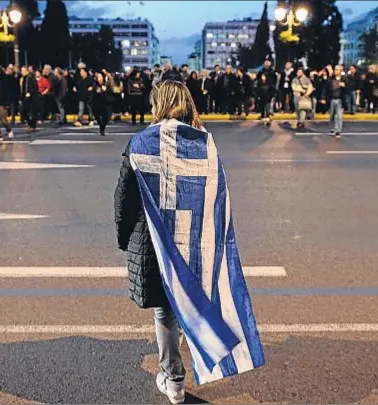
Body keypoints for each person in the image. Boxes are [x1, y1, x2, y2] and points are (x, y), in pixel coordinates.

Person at [114, 80, 264, 404]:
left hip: (155, 243)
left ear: (159, 103)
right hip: (195, 239)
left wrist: (124, 237)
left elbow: (124, 198)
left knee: (164, 312)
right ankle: (190, 362)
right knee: (187, 303)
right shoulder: (206, 144)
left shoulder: (140, 143)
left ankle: (174, 379)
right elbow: (216, 196)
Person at [322, 65, 347, 138]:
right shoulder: (331, 79)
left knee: (339, 116)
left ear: (340, 71)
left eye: (337, 70)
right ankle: (333, 128)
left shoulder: (344, 79)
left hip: (340, 100)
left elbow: (348, 89)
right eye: (335, 69)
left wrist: (344, 86)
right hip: (331, 99)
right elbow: (326, 89)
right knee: (332, 116)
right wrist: (323, 98)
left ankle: (338, 130)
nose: (336, 71)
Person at [92, 72, 112, 136]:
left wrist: (105, 90)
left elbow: (110, 91)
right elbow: (93, 93)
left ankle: (103, 128)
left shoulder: (106, 84)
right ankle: (101, 126)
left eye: (100, 77)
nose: (99, 78)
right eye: (98, 77)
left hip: (105, 103)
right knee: (97, 116)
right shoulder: (95, 84)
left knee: (105, 118)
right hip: (97, 102)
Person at [19, 65, 39, 131]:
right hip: (24, 98)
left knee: (32, 113)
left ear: (27, 71)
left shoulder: (31, 77)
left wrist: (30, 92)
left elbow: (35, 87)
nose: (22, 72)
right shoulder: (22, 78)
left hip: (32, 98)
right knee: (22, 111)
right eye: (21, 70)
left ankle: (32, 126)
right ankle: (30, 124)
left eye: (23, 70)